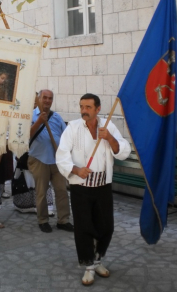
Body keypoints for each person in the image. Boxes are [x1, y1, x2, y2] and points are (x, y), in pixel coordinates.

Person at [56, 93, 131, 286]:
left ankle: (98, 260)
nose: (84, 111)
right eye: (82, 107)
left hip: (103, 186)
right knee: (83, 228)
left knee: (106, 226)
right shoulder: (72, 128)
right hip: (81, 187)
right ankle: (88, 267)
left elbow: (124, 150)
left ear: (98, 109)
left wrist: (110, 138)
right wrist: (76, 169)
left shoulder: (108, 126)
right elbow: (62, 155)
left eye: (88, 107)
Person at [28, 89, 73, 233]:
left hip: (57, 160)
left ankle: (63, 220)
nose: (47, 100)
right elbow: (25, 136)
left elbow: (66, 136)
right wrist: (39, 122)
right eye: (45, 98)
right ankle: (43, 220)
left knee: (61, 190)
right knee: (41, 192)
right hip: (39, 159)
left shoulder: (57, 117)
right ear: (39, 99)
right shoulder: (30, 116)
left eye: (50, 98)